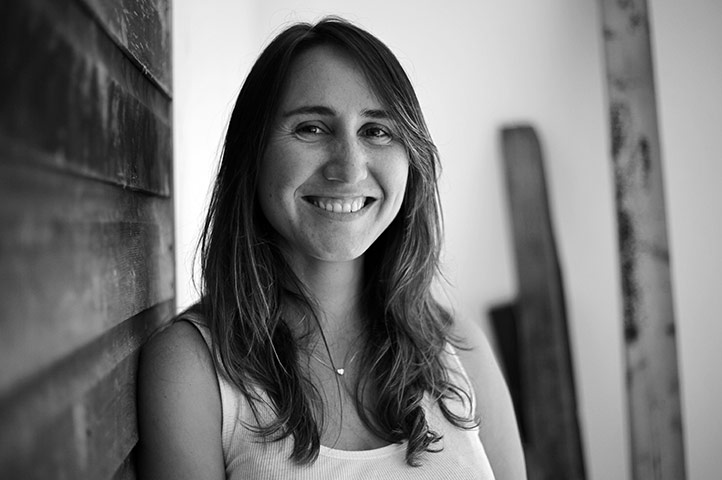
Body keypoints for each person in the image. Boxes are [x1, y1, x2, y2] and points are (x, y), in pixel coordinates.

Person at [137, 17, 526, 480]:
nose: (348, 167)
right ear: (252, 153)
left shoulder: (458, 346)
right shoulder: (192, 369)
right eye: (312, 128)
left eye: (377, 131)